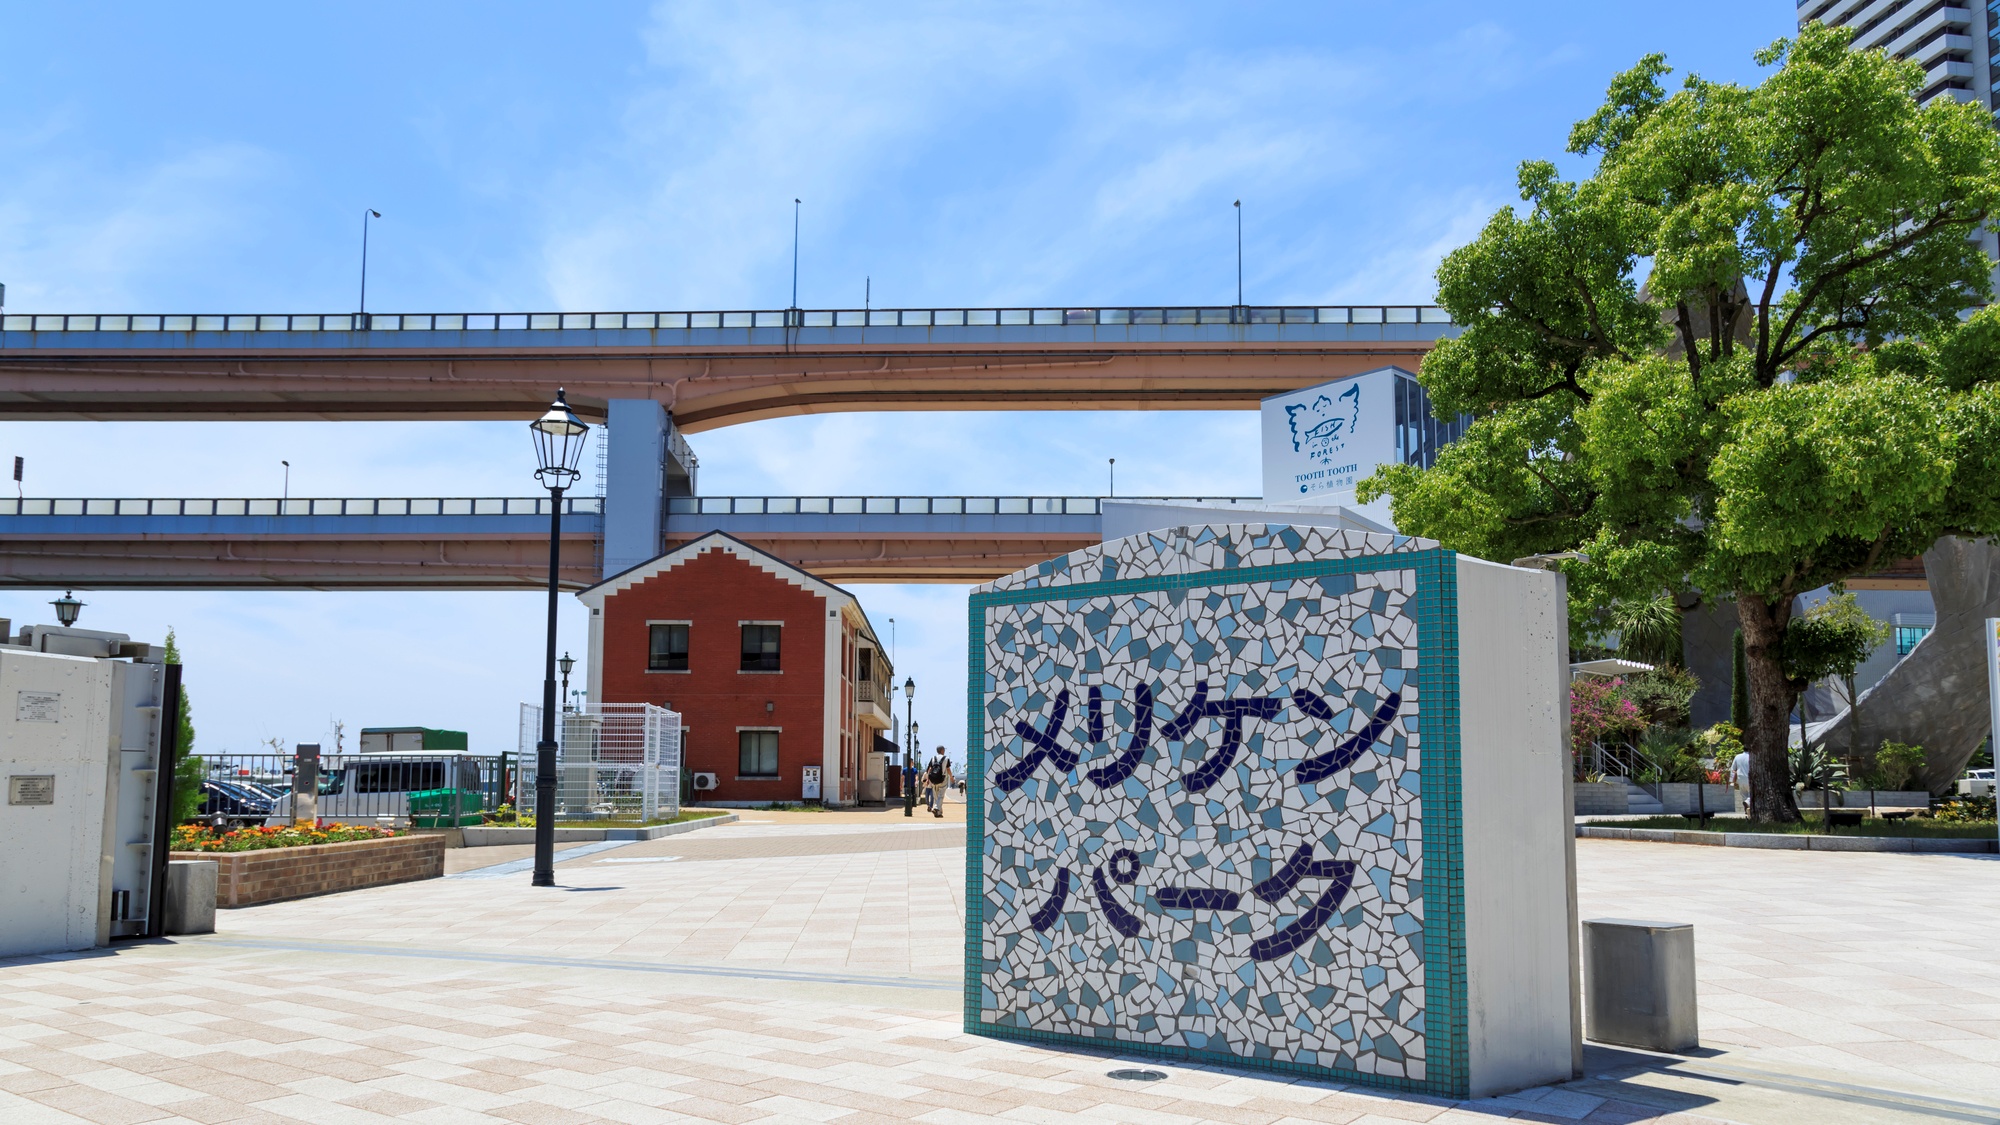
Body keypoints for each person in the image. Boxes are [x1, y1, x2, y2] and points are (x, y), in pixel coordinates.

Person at [924, 746, 953, 818]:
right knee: (941, 795)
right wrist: (951, 777)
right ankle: (936, 808)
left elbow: (929, 769)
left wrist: (928, 779)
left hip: (933, 779)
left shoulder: (933, 758)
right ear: (942, 750)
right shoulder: (946, 758)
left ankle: (939, 813)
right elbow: (948, 769)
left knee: (936, 796)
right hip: (942, 779)